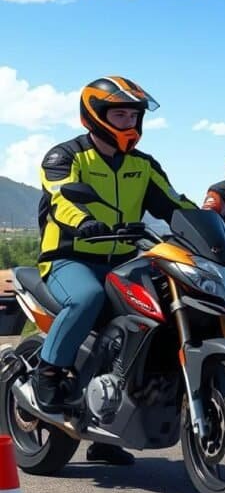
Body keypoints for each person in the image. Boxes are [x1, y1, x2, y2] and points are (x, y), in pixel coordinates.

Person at [35, 76, 196, 465]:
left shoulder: (143, 165)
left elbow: (174, 204)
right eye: (119, 114)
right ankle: (49, 373)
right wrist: (85, 222)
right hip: (69, 258)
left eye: (132, 115)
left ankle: (110, 431)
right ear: (95, 115)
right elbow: (60, 198)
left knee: (150, 322)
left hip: (125, 261)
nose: (128, 122)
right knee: (87, 298)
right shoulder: (64, 157)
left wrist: (213, 230)